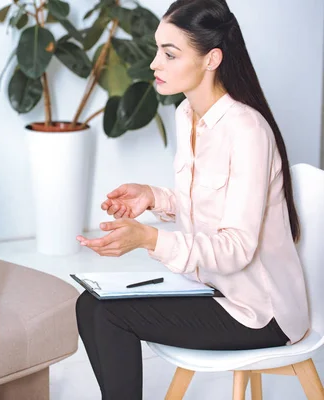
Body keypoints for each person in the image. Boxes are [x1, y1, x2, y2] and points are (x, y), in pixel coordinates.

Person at [74, 0, 309, 398]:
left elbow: (236, 248)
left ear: (211, 59)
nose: (154, 64)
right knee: (89, 304)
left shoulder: (247, 130)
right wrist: (153, 197)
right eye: (156, 50)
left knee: (110, 315)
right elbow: (206, 203)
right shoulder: (187, 115)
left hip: (258, 312)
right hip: (211, 286)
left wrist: (149, 239)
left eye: (169, 53)